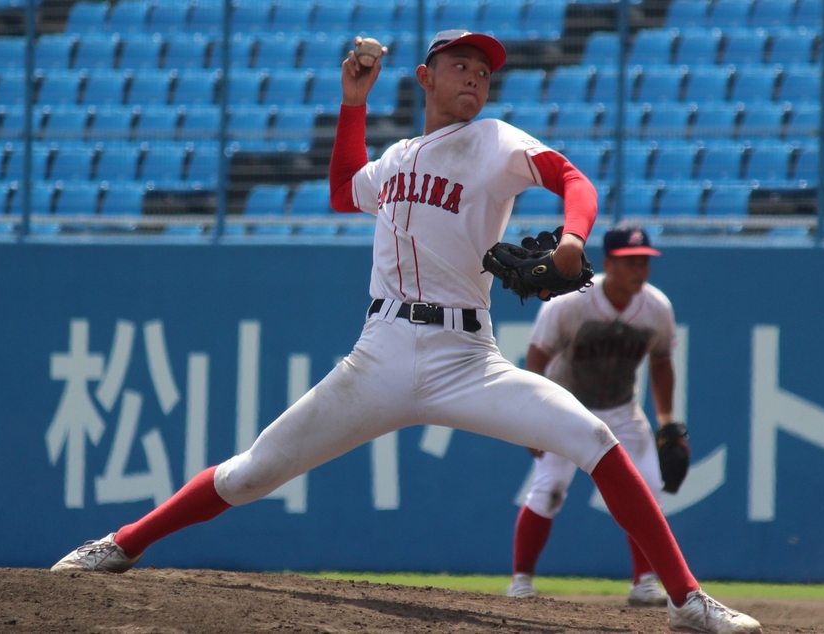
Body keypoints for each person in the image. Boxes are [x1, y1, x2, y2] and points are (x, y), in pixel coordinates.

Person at [52, 30, 761, 634]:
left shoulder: (495, 141)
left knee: (596, 439)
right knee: (251, 472)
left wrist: (575, 237)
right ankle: (121, 543)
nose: (475, 80)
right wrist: (353, 103)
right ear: (425, 78)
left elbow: (572, 179)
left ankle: (686, 600)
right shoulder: (394, 162)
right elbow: (341, 190)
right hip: (380, 357)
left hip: (467, 359)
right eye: (461, 67)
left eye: (484, 73)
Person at [506, 224, 684, 607]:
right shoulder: (570, 304)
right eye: (630, 262)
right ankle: (521, 580)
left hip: (621, 409)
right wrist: (533, 418)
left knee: (648, 491)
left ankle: (645, 582)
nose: (639, 270)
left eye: (644, 262)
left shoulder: (656, 307)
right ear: (607, 264)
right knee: (549, 491)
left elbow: (661, 363)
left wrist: (667, 421)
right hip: (565, 406)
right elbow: (536, 359)